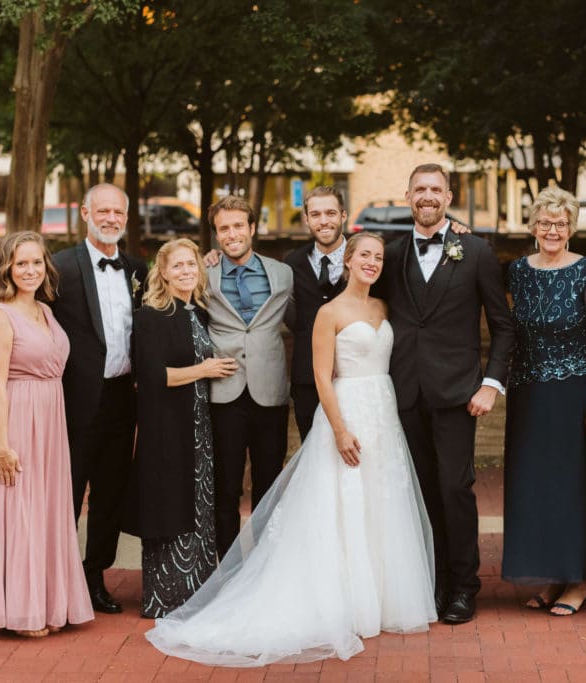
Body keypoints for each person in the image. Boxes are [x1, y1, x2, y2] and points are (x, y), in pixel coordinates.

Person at [146, 232, 436, 666]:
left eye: (378, 257)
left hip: (383, 414)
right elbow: (322, 376)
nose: (372, 263)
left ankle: (380, 598)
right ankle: (341, 599)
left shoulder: (383, 307)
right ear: (348, 262)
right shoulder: (328, 312)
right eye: (364, 256)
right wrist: (339, 429)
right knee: (341, 504)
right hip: (347, 411)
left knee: (380, 502)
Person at [377, 163, 515, 624]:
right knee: (420, 493)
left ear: (449, 196)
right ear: (408, 196)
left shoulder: (475, 251)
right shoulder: (390, 254)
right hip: (404, 393)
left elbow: (502, 325)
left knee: (456, 489)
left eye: (436, 189)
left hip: (458, 392)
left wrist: (491, 383)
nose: (428, 196)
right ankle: (431, 583)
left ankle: (464, 586)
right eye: (420, 189)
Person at [502, 187, 586, 616]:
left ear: (572, 228)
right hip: (528, 395)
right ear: (533, 228)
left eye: (561, 223)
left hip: (573, 394)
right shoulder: (517, 271)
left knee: (572, 488)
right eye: (545, 223)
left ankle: (578, 581)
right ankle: (552, 577)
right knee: (538, 489)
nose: (553, 230)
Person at [0, 231, 94, 637]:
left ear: (46, 267)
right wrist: (2, 446)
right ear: (8, 267)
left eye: (36, 262)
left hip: (50, 421)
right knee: (19, 512)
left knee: (46, 511)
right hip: (15, 422)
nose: (30, 270)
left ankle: (46, 603)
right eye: (21, 263)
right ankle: (19, 612)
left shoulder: (47, 311)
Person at [52, 183, 147, 614]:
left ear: (126, 218)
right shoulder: (61, 267)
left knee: (110, 494)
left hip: (122, 398)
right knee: (68, 491)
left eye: (119, 213)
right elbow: (28, 314)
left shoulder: (137, 268)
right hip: (74, 400)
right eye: (103, 211)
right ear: (86, 214)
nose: (111, 218)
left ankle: (94, 577)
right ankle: (58, 580)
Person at [130, 239, 238, 618]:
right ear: (162, 272)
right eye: (177, 266)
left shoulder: (198, 312)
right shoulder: (150, 316)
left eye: (191, 265)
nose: (185, 272)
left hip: (199, 427)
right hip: (167, 428)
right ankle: (166, 597)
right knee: (169, 503)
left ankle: (199, 592)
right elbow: (152, 375)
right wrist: (204, 371)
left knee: (199, 504)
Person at [203, 196, 293, 559]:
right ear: (216, 236)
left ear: (252, 228)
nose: (232, 234)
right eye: (224, 228)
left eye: (239, 226)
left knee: (269, 484)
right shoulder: (202, 274)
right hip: (223, 391)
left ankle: (264, 565)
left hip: (270, 391)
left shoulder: (282, 273)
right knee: (225, 486)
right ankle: (225, 569)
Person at [284, 186, 349, 439]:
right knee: (313, 455)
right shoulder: (292, 263)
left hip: (352, 378)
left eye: (331, 213)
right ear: (307, 219)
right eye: (316, 214)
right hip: (307, 379)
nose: (324, 221)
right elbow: (290, 316)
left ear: (343, 216)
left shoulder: (365, 259)